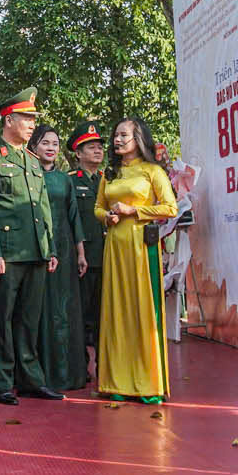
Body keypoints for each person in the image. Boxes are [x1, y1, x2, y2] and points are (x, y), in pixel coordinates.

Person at [0, 90, 60, 405]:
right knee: (2, 319)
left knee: (29, 319)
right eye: (26, 119)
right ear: (8, 120)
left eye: (33, 119)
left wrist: (48, 247)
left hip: (35, 251)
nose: (30, 125)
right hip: (8, 252)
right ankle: (2, 381)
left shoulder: (31, 160)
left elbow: (43, 207)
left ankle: (30, 379)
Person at [95, 118, 179, 404]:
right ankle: (115, 381)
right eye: (115, 135)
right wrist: (106, 216)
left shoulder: (152, 171)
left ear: (138, 138)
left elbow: (170, 207)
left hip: (142, 250)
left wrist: (134, 210)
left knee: (142, 310)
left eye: (123, 135)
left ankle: (148, 383)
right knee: (116, 310)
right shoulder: (110, 173)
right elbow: (98, 207)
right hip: (115, 249)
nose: (117, 140)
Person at [32, 124, 89, 391]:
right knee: (41, 309)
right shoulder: (29, 175)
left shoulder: (65, 179)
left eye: (55, 144)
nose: (51, 148)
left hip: (65, 250)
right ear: (34, 146)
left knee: (66, 311)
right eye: (46, 143)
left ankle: (70, 374)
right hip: (37, 248)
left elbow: (75, 217)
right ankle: (40, 374)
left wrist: (80, 252)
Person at [68, 121, 107, 375]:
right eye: (91, 147)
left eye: (99, 147)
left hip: (109, 257)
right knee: (81, 316)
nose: (98, 151)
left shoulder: (109, 180)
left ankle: (106, 366)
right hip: (84, 259)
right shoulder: (71, 181)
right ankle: (80, 366)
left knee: (106, 316)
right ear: (78, 153)